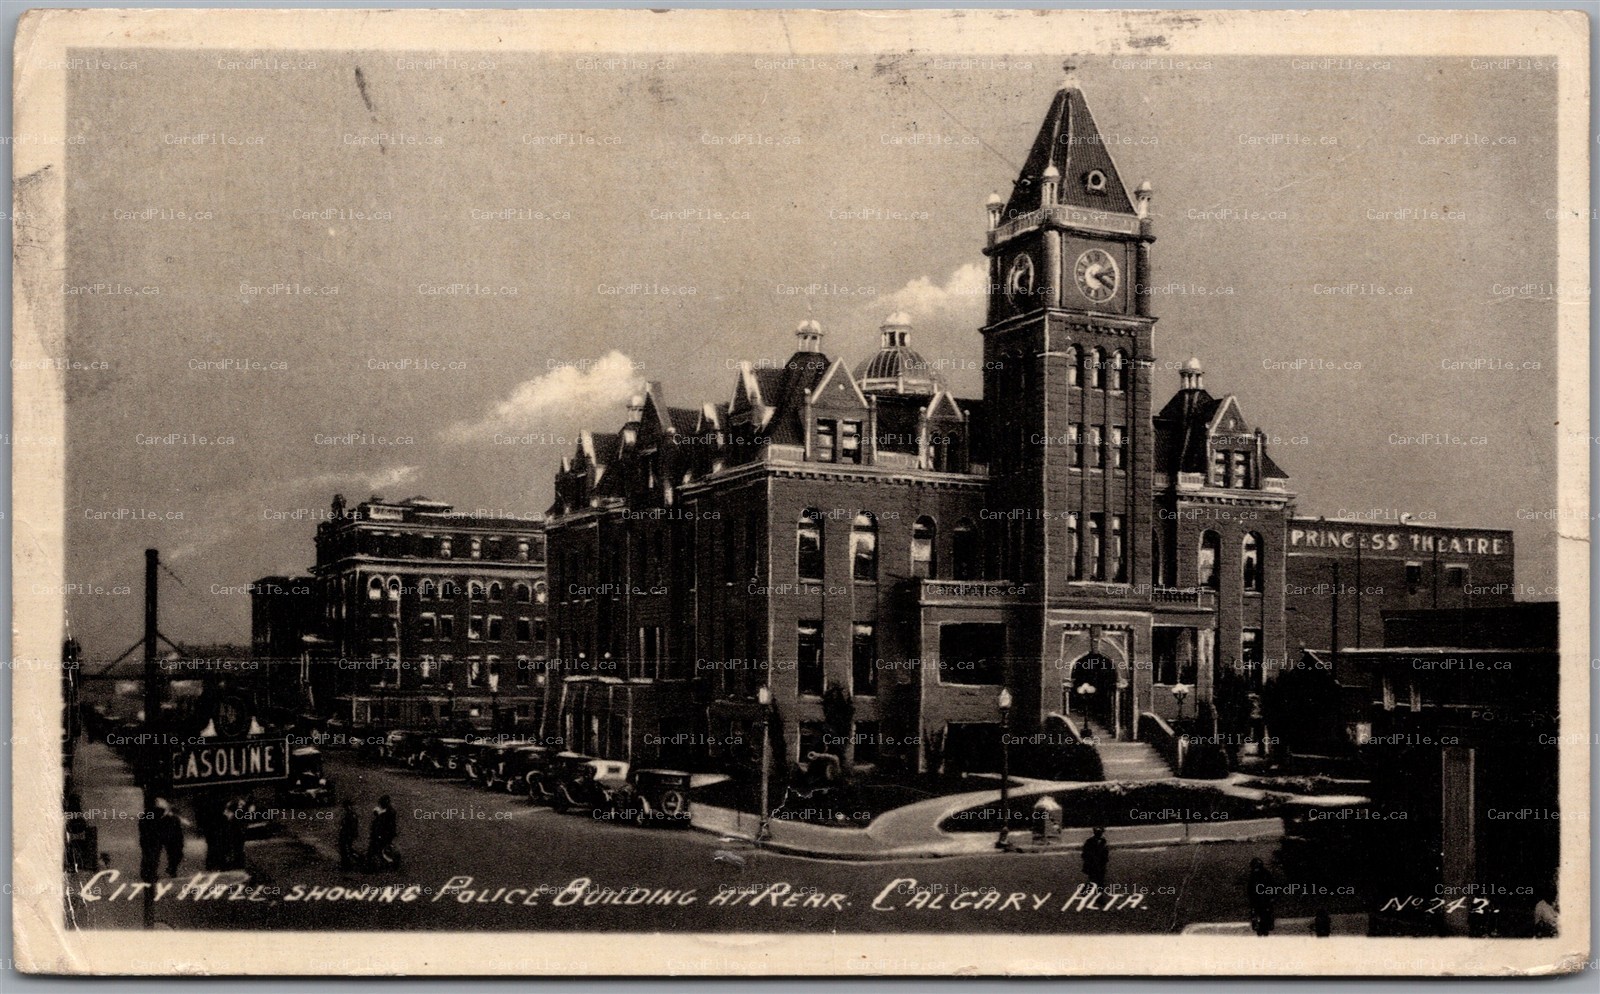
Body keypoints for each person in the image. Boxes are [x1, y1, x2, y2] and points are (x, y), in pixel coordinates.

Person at [366, 794, 398, 869]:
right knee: (380, 849)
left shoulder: (388, 813)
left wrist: (379, 814)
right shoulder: (389, 811)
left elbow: (382, 824)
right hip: (384, 835)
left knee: (376, 849)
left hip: (383, 835)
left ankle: (374, 865)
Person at [1247, 857, 1276, 936]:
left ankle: (1264, 927)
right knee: (1260, 913)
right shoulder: (1256, 875)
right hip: (1259, 899)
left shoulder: (1261, 874)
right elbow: (1250, 888)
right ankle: (1262, 927)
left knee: (1264, 913)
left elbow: (1271, 886)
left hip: (1263, 898)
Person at [338, 800, 360, 871]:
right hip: (347, 834)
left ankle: (347, 864)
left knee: (345, 849)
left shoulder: (350, 815)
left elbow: (350, 826)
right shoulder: (351, 814)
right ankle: (348, 863)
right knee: (347, 849)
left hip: (347, 834)